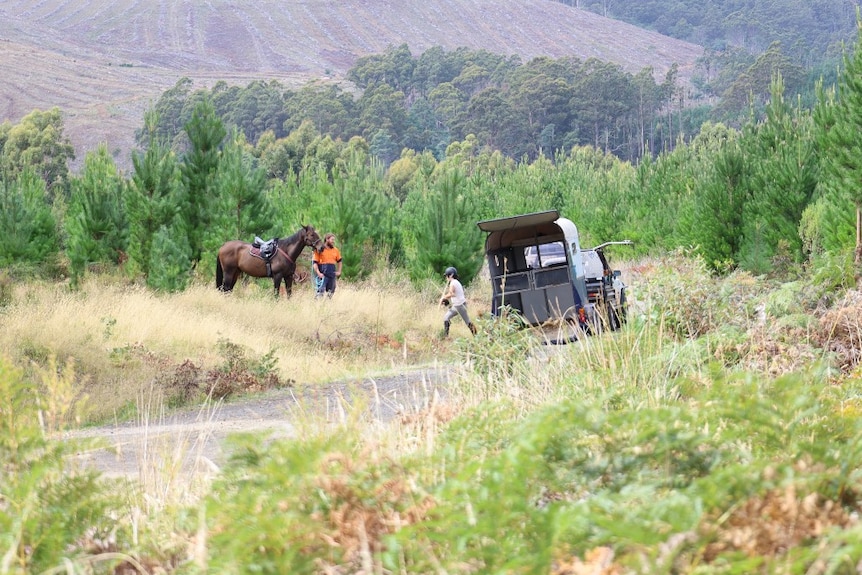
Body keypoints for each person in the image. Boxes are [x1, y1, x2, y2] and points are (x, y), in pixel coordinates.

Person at [439, 266, 477, 337]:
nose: (446, 278)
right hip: (456, 306)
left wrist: (443, 297)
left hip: (460, 306)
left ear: (451, 275)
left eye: (447, 276)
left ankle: (476, 337)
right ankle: (446, 336)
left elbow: (451, 294)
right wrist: (445, 300)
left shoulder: (453, 283)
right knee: (446, 318)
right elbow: (453, 295)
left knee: (467, 322)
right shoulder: (455, 282)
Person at [312, 233, 342, 298]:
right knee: (320, 291)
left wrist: (339, 271)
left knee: (331, 291)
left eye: (334, 240)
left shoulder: (335, 250)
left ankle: (328, 305)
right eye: (332, 240)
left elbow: (339, 261)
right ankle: (318, 305)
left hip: (332, 274)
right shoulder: (319, 250)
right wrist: (318, 273)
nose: (333, 241)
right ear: (327, 239)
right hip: (322, 274)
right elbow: (314, 263)